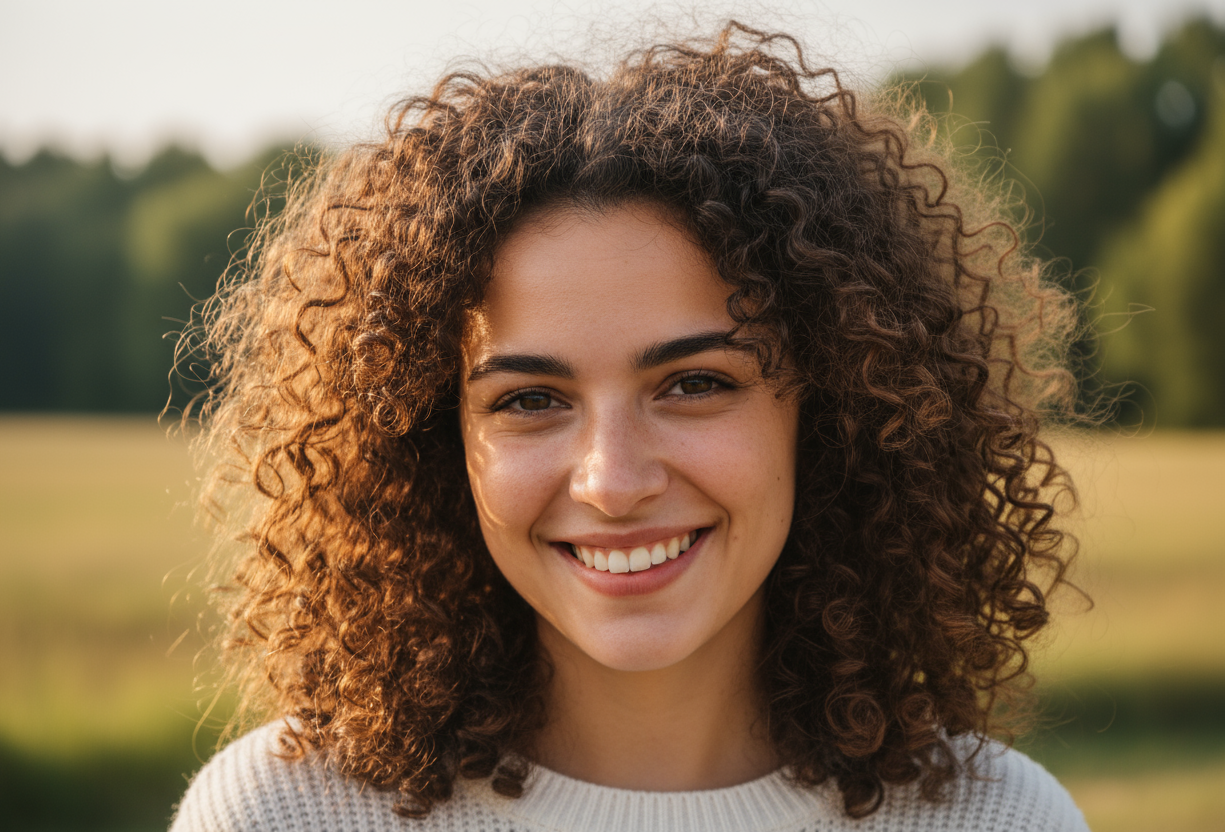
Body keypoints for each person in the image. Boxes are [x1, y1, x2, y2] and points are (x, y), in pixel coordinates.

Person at [170, 21, 1089, 831]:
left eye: (694, 384)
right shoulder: (282, 816)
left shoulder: (1002, 822)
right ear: (437, 440)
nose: (612, 482)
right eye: (530, 400)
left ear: (837, 407)